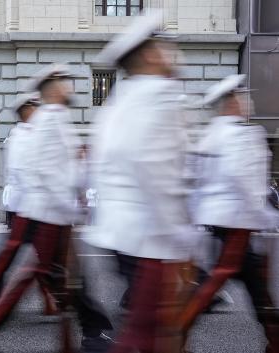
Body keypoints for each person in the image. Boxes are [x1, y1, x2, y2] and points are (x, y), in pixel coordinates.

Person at [0, 64, 113, 353]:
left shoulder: (53, 119)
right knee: (44, 272)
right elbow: (48, 172)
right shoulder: (48, 121)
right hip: (50, 213)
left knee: (61, 276)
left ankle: (90, 332)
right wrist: (71, 206)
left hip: (51, 212)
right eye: (65, 82)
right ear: (53, 87)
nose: (70, 87)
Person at [86, 11, 197, 352]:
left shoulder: (120, 101)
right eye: (164, 47)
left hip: (119, 232)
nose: (171, 54)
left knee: (146, 331)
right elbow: (156, 171)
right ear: (150, 54)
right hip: (150, 234)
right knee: (151, 336)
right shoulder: (160, 96)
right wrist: (179, 236)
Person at [178, 74, 279, 352]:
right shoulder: (244, 133)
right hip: (239, 221)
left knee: (252, 284)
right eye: (243, 96)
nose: (248, 101)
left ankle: (274, 337)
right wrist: (265, 215)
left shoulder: (211, 134)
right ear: (232, 101)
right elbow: (245, 180)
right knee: (219, 279)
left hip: (216, 221)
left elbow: (194, 180)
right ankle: (177, 331)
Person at [0, 94, 58, 316]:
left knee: (44, 256)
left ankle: (50, 299)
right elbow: (22, 173)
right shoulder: (20, 137)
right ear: (27, 110)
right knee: (17, 255)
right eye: (36, 107)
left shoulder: (32, 135)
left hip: (35, 207)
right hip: (27, 207)